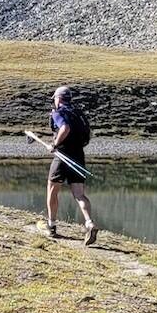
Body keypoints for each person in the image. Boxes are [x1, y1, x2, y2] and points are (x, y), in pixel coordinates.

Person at [41, 85, 98, 245]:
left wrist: (55, 144)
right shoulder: (78, 113)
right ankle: (89, 223)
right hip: (78, 155)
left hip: (62, 155)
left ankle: (51, 226)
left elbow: (64, 128)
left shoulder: (59, 113)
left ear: (58, 99)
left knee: (52, 189)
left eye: (55, 99)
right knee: (79, 194)